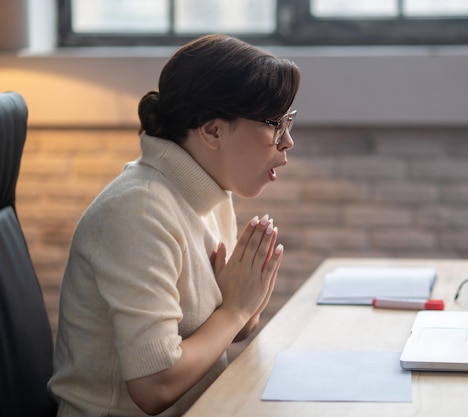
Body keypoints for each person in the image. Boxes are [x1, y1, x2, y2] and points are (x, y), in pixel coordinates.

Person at [48, 34, 301, 416]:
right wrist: (234, 309)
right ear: (213, 131)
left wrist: (246, 304)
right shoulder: (138, 211)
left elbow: (222, 327)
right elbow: (154, 385)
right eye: (275, 125)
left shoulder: (211, 192)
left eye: (288, 122)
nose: (288, 142)